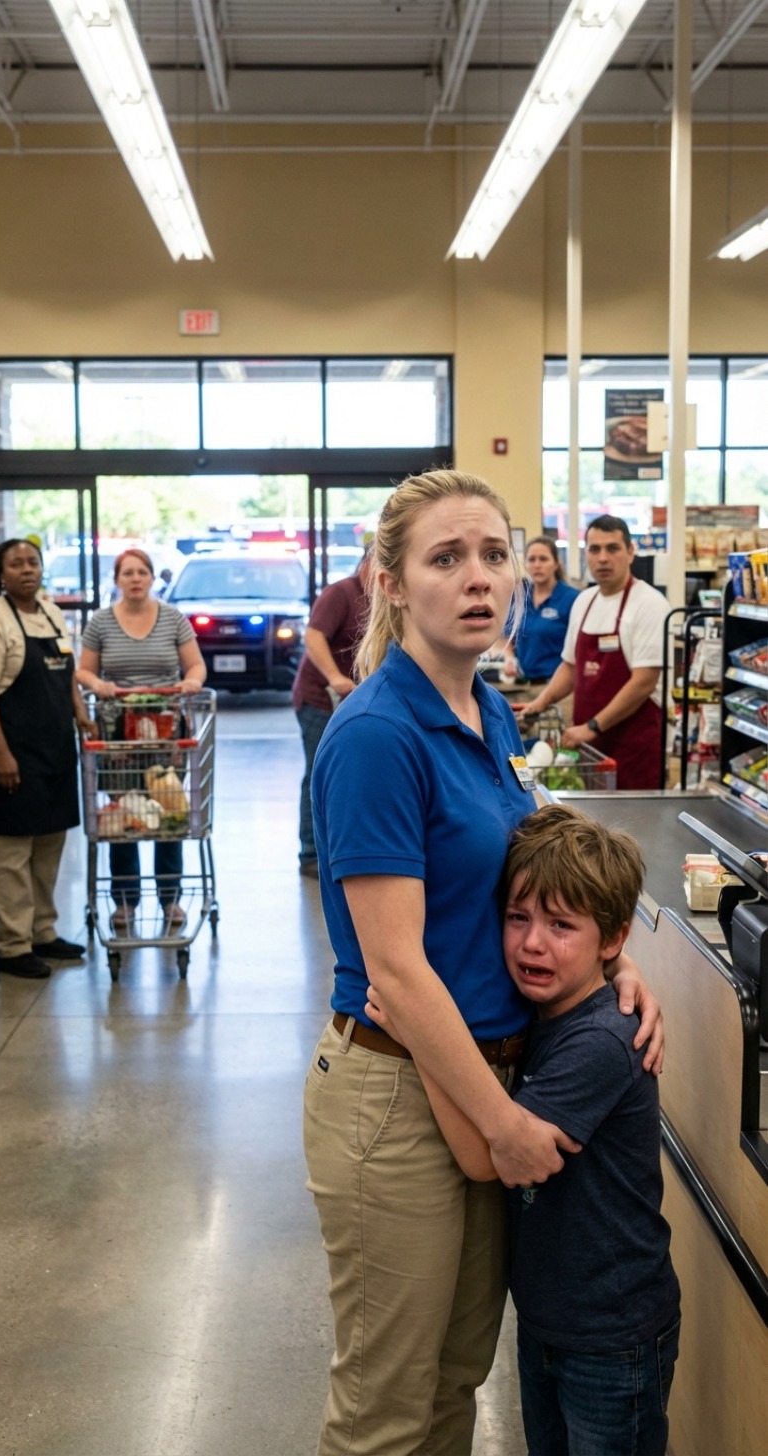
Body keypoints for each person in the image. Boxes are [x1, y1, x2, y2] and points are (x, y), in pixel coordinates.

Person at [302, 469, 663, 1456]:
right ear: (391, 581)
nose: (478, 578)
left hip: (488, 1073)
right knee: (385, 1410)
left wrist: (612, 964)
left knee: (454, 1381)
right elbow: (400, 969)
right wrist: (505, 1125)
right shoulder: (377, 734)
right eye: (446, 557)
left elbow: (544, 868)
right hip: (397, 1097)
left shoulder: (486, 712)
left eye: (495, 555)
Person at [374, 802, 680, 1456]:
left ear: (612, 938)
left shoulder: (597, 1042)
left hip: (611, 1335)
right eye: (517, 918)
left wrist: (414, 1038)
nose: (531, 942)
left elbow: (490, 1161)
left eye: (559, 925)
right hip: (551, 1321)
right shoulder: (544, 1006)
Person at [0, 538, 95, 979]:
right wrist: (0, 753)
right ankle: (13, 945)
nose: (27, 570)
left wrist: (81, 716)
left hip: (56, 750)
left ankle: (44, 931)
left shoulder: (51, 613)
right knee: (14, 851)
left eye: (32, 562)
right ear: (0, 574)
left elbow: (67, 676)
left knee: (49, 846)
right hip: (14, 751)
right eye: (16, 564)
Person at [76, 547, 206, 928]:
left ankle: (170, 900)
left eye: (141, 572)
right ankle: (125, 902)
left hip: (166, 732)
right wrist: (99, 684)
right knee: (124, 816)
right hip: (118, 737)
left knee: (169, 814)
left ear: (152, 578)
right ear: (116, 580)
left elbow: (195, 663)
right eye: (127, 573)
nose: (135, 579)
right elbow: (83, 672)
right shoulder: (100, 622)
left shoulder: (173, 619)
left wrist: (192, 681)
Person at [518, 514, 670, 790]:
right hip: (588, 745)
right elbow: (570, 667)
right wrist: (538, 705)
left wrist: (592, 726)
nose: (602, 558)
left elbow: (644, 681)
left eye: (612, 548)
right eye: (594, 549)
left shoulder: (649, 604)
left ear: (630, 552)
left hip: (633, 744)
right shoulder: (584, 601)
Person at [290, 547, 372, 878]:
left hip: (357, 704)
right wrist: (335, 677)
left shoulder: (386, 598)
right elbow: (312, 636)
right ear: (366, 563)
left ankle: (349, 847)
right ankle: (310, 853)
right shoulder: (341, 593)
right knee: (320, 773)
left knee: (355, 776)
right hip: (320, 700)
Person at [500, 535, 579, 717]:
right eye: (532, 559)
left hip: (559, 694)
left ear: (556, 563)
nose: (537, 565)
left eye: (543, 559)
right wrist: (510, 658)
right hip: (523, 689)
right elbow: (509, 636)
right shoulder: (520, 598)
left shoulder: (572, 599)